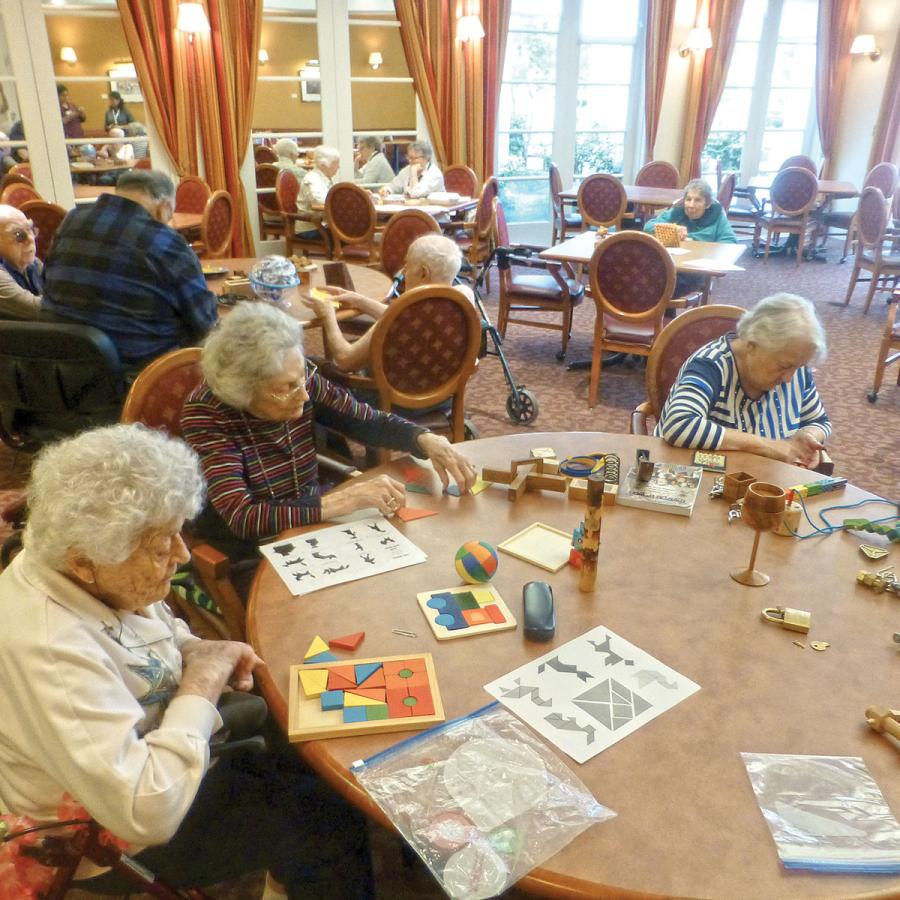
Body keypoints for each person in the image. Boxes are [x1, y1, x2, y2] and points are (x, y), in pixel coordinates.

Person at [0, 424, 374, 899]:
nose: (180, 555)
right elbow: (146, 810)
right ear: (83, 563)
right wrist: (201, 682)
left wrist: (194, 648)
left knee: (303, 724)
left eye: (179, 535)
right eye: (161, 547)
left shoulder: (90, 562)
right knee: (326, 822)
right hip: (99, 830)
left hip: (150, 736)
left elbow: (150, 628)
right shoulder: (50, 650)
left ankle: (290, 873)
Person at [180, 302, 476, 577]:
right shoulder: (207, 414)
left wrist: (425, 439)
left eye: (303, 378)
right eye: (288, 387)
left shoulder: (300, 378)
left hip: (311, 523)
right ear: (245, 391)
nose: (305, 394)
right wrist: (343, 500)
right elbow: (243, 516)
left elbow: (366, 420)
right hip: (252, 551)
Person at [42, 169, 216, 372]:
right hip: (140, 376)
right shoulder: (164, 241)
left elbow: (46, 282)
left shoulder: (71, 220)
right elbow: (206, 321)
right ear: (165, 207)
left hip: (63, 368)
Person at [655, 293, 831, 468]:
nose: (789, 378)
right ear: (751, 345)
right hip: (694, 477)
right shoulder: (711, 365)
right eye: (783, 366)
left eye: (798, 366)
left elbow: (819, 421)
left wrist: (808, 437)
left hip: (764, 478)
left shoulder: (796, 365)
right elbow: (679, 424)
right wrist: (768, 446)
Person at [305, 234, 474, 373]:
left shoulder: (407, 308)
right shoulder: (464, 298)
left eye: (408, 265)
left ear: (423, 272)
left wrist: (328, 317)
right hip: (444, 395)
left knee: (312, 366)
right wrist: (358, 300)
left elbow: (345, 360)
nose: (404, 271)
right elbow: (407, 319)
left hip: (386, 402)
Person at [643, 178, 736, 243]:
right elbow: (647, 227)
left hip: (704, 261)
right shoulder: (677, 212)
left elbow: (730, 241)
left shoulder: (717, 215)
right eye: (688, 199)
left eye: (698, 200)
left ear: (707, 204)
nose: (691, 205)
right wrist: (673, 228)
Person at [0, 204, 42, 319]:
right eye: (18, 234)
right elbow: (37, 309)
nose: (30, 239)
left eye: (30, 230)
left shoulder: (33, 263)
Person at [295, 145, 339, 241]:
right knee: (351, 232)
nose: (338, 167)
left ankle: (348, 254)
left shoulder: (326, 177)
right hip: (310, 228)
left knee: (354, 229)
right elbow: (319, 202)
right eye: (335, 163)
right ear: (323, 165)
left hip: (322, 223)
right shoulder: (312, 179)